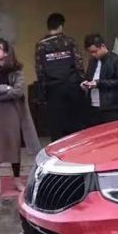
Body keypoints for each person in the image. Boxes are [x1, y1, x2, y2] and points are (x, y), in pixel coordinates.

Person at [0, 39, 41, 196]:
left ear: (6, 53)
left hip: (12, 112)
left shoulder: (16, 70)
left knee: (13, 146)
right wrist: (5, 88)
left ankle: (17, 180)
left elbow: (18, 91)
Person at [35, 13, 86, 141]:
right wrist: (82, 82)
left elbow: (40, 70)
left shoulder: (41, 45)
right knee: (75, 125)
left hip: (53, 89)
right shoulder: (69, 42)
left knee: (56, 127)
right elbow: (79, 64)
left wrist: (42, 93)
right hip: (72, 87)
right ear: (61, 26)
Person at [82, 34, 118, 126]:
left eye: (95, 51)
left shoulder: (116, 60)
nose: (93, 54)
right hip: (93, 106)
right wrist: (86, 83)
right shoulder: (92, 61)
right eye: (90, 52)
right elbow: (88, 77)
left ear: (102, 46)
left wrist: (98, 83)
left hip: (111, 107)